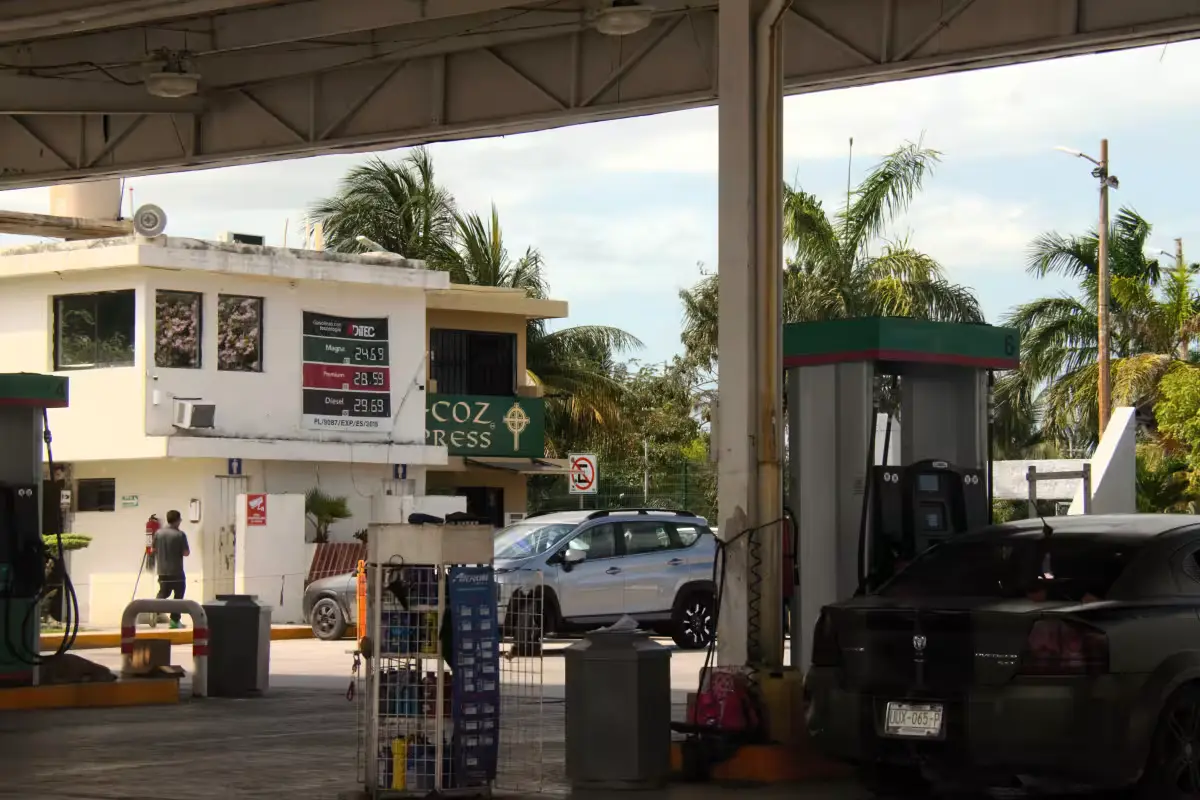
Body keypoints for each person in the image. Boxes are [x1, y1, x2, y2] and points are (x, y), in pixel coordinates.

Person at [154, 510, 190, 629]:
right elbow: (186, 553)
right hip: (176, 571)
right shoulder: (180, 535)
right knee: (178, 595)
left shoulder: (158, 533)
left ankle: (153, 609)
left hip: (162, 570)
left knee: (164, 592)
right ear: (177, 520)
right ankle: (175, 621)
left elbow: (153, 549)